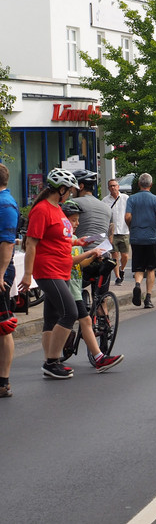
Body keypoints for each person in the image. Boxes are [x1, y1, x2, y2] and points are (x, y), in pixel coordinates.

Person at [19, 168, 80, 378]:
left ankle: (49, 362)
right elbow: (31, 243)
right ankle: (53, 361)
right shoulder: (42, 209)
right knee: (70, 313)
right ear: (61, 189)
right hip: (48, 270)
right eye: (69, 190)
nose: (71, 194)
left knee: (51, 318)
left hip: (61, 270)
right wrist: (28, 274)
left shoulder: (58, 209)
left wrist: (77, 241)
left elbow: (59, 237)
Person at [62, 200, 124, 373]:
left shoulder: (75, 240)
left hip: (74, 287)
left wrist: (93, 257)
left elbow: (80, 265)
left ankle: (95, 357)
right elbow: (67, 262)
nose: (77, 224)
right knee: (78, 320)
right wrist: (90, 251)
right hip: (69, 287)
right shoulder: (67, 240)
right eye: (74, 220)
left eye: (77, 220)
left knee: (80, 320)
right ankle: (97, 358)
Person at [124, 173, 156, 309]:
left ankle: (137, 285)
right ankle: (148, 298)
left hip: (136, 238)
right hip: (151, 238)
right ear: (151, 185)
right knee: (151, 268)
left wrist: (131, 227)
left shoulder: (132, 199)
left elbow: (127, 217)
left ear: (139, 184)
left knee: (138, 267)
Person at [0, 164, 19, 396]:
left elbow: (7, 242)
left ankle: (3, 381)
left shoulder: (5, 205)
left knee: (3, 327)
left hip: (1, 273)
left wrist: (0, 273)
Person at [71, 169, 114, 253]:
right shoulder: (107, 207)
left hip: (84, 254)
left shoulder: (73, 203)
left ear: (81, 186)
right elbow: (111, 229)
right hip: (104, 253)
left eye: (72, 188)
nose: (71, 191)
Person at [102, 177, 129, 285]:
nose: (113, 187)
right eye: (111, 186)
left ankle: (122, 270)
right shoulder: (105, 200)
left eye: (115, 185)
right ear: (108, 188)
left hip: (124, 230)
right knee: (115, 255)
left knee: (125, 256)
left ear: (118, 187)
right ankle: (117, 277)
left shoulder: (125, 198)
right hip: (112, 232)